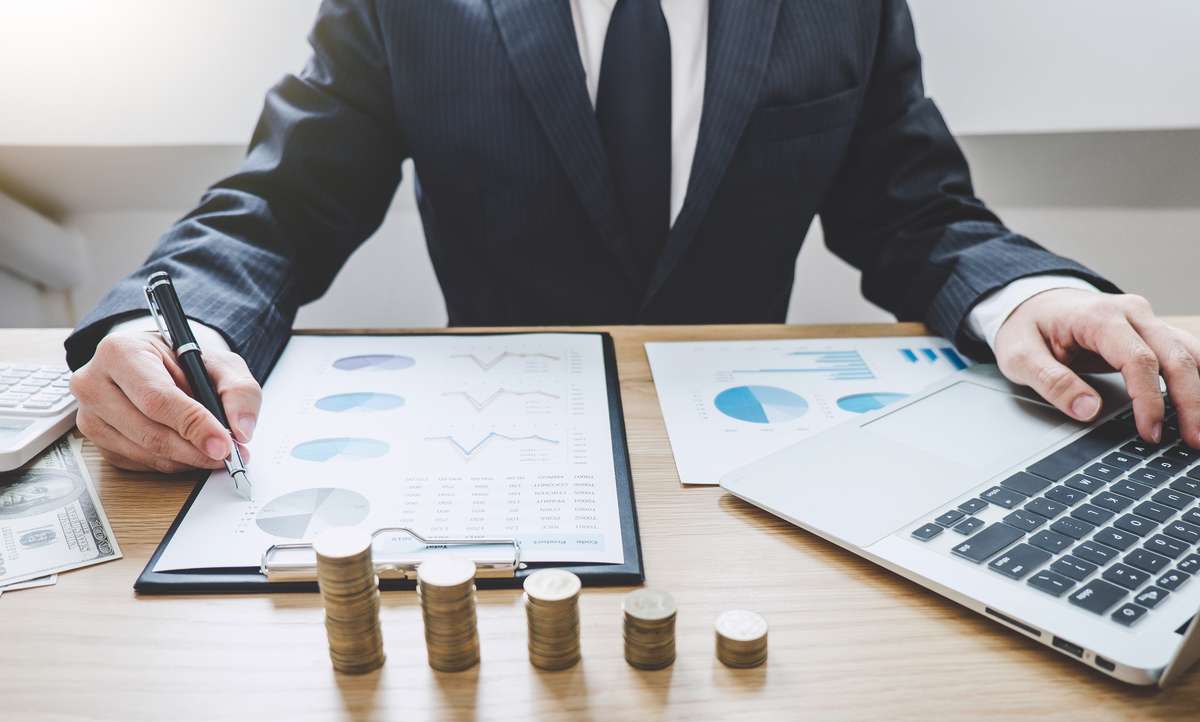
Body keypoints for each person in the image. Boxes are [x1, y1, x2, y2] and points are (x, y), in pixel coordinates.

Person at [65, 0, 1200, 473]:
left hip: (758, 471)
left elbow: (918, 210)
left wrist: (1025, 294)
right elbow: (280, 199)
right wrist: (172, 320)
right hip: (493, 461)